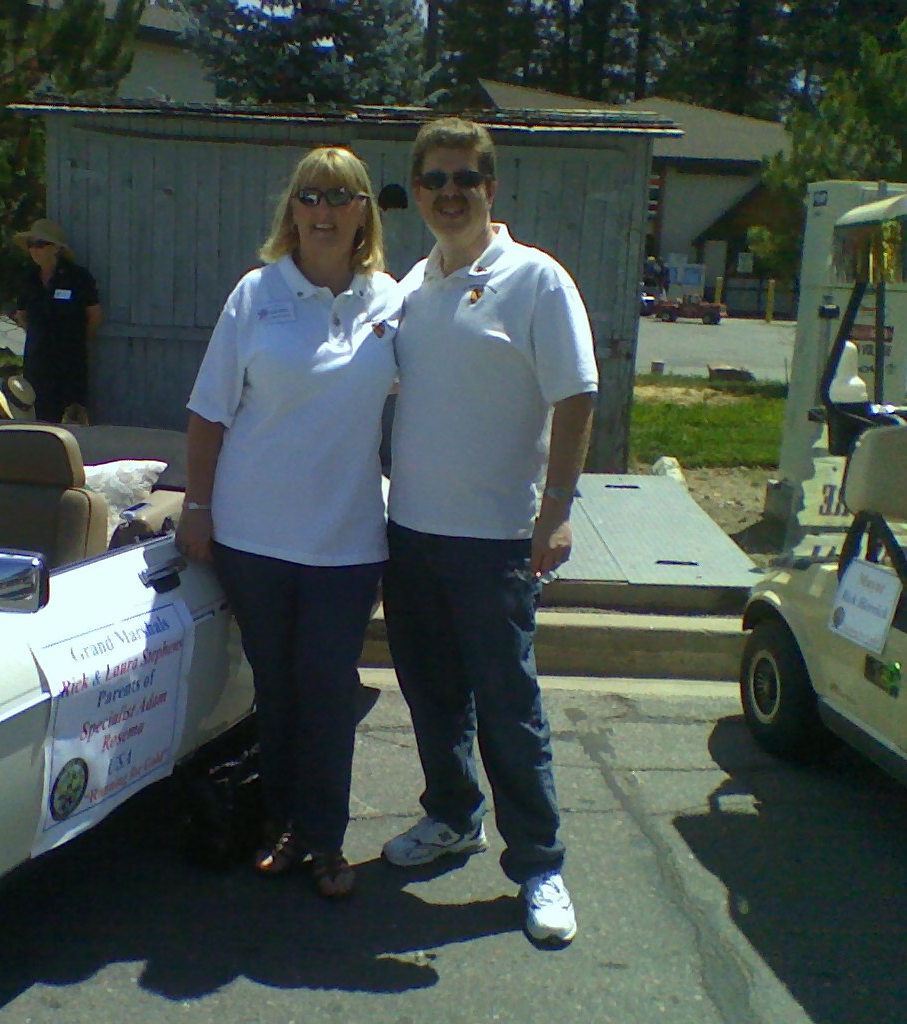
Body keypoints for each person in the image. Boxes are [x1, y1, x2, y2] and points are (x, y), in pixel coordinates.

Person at [381, 117, 598, 946]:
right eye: (434, 180)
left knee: (509, 708)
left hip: (497, 540)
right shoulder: (412, 285)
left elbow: (576, 393)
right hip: (411, 533)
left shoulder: (536, 279)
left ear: (490, 187)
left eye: (464, 178)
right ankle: (453, 815)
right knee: (433, 697)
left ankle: (539, 863)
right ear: (418, 192)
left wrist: (558, 508)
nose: (450, 193)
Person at [177, 146, 399, 899]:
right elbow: (209, 412)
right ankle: (283, 824)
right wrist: (198, 506)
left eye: (341, 197)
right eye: (310, 196)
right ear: (292, 210)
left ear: (364, 212)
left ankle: (327, 839)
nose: (324, 211)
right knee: (277, 691)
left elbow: (439, 393)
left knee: (327, 691)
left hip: (348, 542)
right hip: (253, 540)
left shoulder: (391, 302)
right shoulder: (256, 294)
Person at [13, 218, 102, 425]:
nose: (34, 250)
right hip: (37, 363)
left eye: (40, 244)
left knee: (72, 418)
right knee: (39, 416)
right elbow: (21, 314)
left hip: (70, 364)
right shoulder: (29, 279)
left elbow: (95, 315)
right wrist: (39, 336)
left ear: (56, 248)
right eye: (31, 244)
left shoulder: (78, 278)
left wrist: (76, 340)